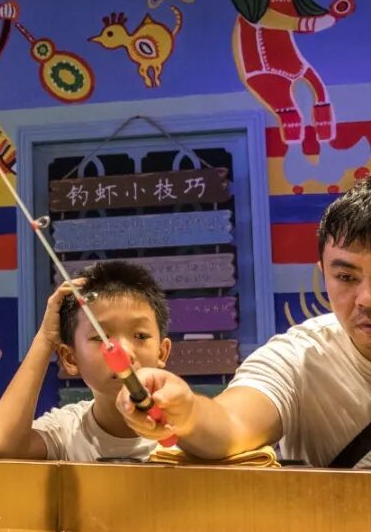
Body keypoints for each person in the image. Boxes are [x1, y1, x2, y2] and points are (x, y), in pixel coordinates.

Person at [116, 180, 371, 468]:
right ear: (323, 273)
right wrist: (186, 413)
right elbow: (232, 424)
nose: (366, 299)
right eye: (346, 277)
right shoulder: (301, 358)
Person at [0, 259, 172, 461]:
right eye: (100, 337)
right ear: (70, 359)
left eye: (140, 336)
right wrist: (45, 339)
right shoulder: (67, 430)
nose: (124, 352)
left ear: (161, 353)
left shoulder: (188, 425)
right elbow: (1, 446)